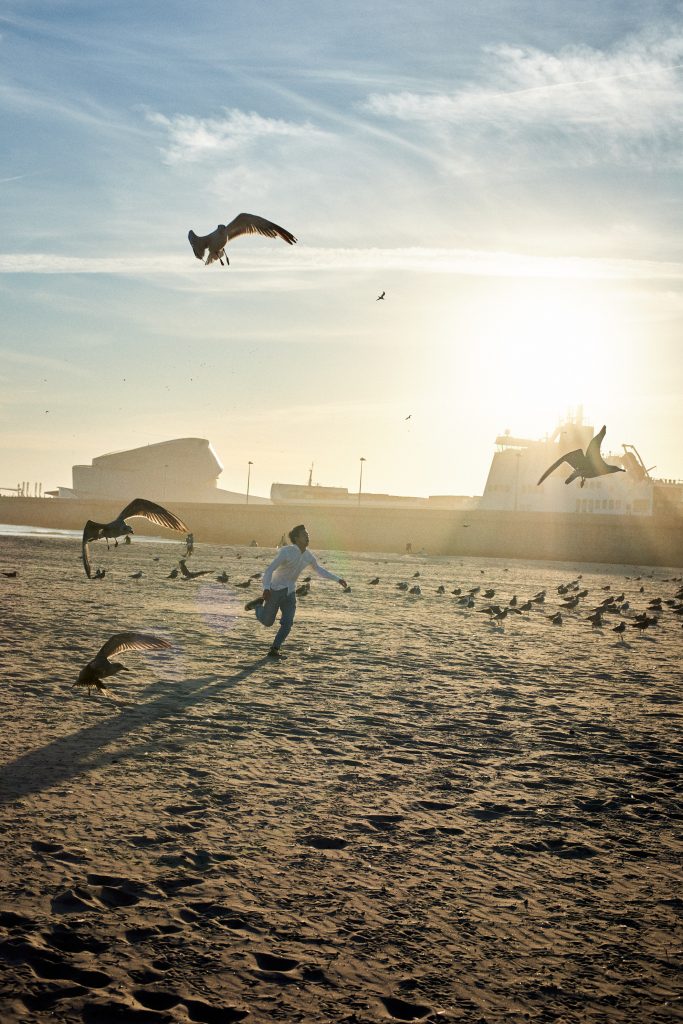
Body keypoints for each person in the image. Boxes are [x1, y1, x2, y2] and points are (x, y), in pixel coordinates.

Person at [245, 524, 347, 659]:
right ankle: (257, 606)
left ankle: (274, 649)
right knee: (268, 622)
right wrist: (266, 588)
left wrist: (338, 579)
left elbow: (319, 570)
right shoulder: (286, 551)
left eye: (308, 535)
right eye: (304, 535)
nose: (307, 537)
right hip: (275, 590)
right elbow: (269, 570)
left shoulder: (308, 556)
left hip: (290, 593)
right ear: (296, 538)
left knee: (287, 623)